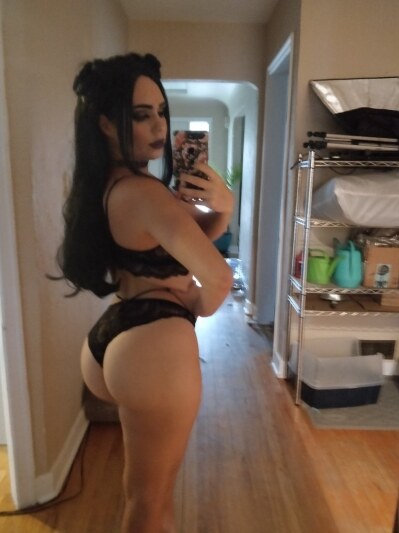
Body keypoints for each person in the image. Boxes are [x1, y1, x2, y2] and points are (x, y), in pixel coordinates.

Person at [54, 52, 233, 533]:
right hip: (155, 348)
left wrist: (223, 207)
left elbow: (185, 248)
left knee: (146, 500)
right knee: (149, 506)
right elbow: (218, 279)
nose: (158, 126)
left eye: (161, 112)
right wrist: (192, 304)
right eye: (140, 115)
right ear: (106, 123)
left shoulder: (111, 185)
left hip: (120, 334)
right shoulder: (147, 193)